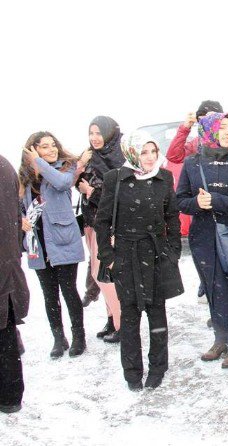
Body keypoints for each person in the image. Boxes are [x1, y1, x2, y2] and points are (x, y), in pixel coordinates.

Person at [96, 130, 183, 390]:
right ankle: (132, 373)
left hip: (156, 252)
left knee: (158, 315)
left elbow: (172, 217)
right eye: (143, 151)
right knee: (130, 316)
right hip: (125, 253)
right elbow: (101, 221)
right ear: (132, 152)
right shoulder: (116, 178)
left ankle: (158, 368)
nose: (149, 157)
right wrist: (108, 256)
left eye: (153, 151)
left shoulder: (163, 177)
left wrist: (173, 251)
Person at [177, 112, 228, 369]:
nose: (226, 132)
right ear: (208, 131)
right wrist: (196, 203)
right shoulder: (192, 163)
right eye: (221, 127)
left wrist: (217, 201)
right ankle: (220, 339)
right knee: (214, 288)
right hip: (204, 236)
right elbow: (180, 201)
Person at [19, 132, 87, 358]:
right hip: (38, 244)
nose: (52, 150)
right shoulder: (25, 178)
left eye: (53, 145)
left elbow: (62, 183)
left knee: (69, 291)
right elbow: (16, 203)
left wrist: (37, 162)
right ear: (33, 149)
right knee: (49, 295)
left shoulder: (65, 167)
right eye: (45, 147)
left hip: (63, 239)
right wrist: (21, 220)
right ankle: (59, 338)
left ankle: (79, 336)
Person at [76, 116, 124, 343]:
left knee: (107, 277)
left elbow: (118, 196)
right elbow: (73, 180)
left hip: (111, 226)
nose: (95, 138)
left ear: (110, 133)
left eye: (99, 133)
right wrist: (79, 167)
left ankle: (121, 323)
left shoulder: (120, 156)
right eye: (91, 133)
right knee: (100, 274)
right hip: (91, 223)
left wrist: (90, 191)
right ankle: (111, 317)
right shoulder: (90, 156)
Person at [166, 100, 223, 236]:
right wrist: (185, 127)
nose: (207, 123)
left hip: (226, 204)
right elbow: (174, 156)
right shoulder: (196, 143)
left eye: (212, 118)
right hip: (202, 205)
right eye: (202, 119)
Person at [0, 154, 30, 414]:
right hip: (6, 267)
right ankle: (9, 396)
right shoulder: (4, 166)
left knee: (5, 334)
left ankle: (9, 396)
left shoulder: (1, 168)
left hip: (3, 269)